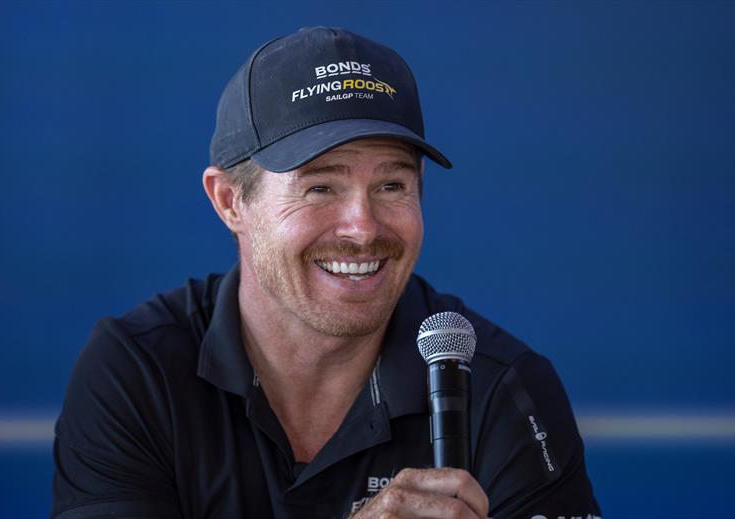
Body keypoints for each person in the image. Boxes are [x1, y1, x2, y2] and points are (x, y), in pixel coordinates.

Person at [51, 27, 601, 519]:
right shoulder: (137, 370)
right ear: (229, 202)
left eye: (392, 185)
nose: (362, 228)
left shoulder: (502, 388)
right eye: (320, 187)